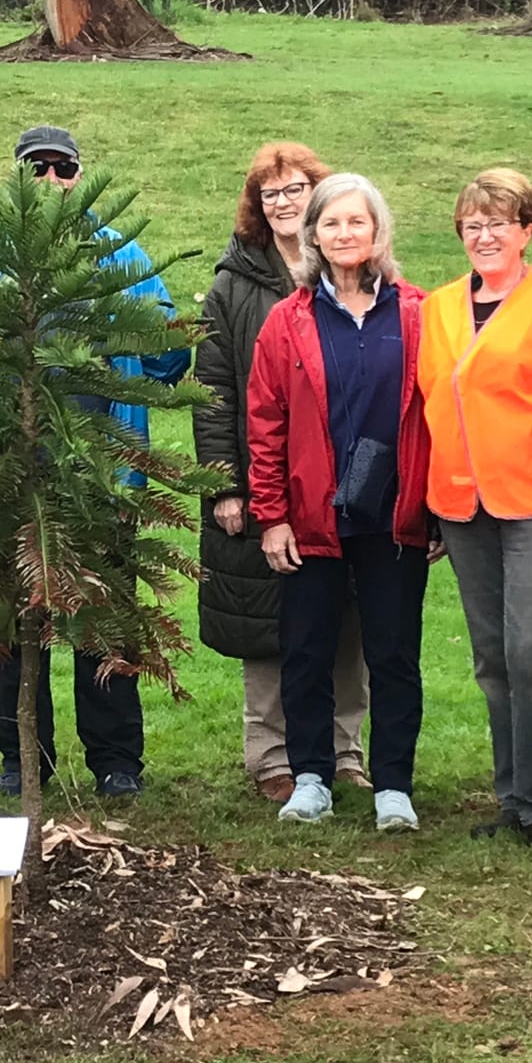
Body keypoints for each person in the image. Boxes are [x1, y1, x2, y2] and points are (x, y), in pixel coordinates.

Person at [0, 125, 189, 799]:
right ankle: (23, 759)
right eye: (37, 168)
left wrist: (134, 316)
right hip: (12, 474)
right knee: (13, 627)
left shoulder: (120, 251)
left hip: (101, 474)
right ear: (18, 176)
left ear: (80, 177)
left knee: (103, 621)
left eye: (64, 168)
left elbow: (171, 363)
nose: (51, 179)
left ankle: (116, 761)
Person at [420, 169, 532, 850]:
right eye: (472, 224)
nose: (485, 235)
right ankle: (513, 797)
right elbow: (432, 408)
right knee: (493, 656)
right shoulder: (439, 308)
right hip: (464, 509)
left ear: (528, 229)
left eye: (500, 222)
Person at [247, 173, 433, 832]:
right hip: (311, 517)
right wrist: (270, 514)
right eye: (332, 224)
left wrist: (431, 506)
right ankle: (310, 779)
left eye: (358, 222)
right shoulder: (287, 320)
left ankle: (394, 787)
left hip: (395, 516)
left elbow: (436, 413)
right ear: (313, 235)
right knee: (306, 650)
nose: (345, 234)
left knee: (392, 653)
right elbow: (264, 422)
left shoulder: (416, 311)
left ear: (377, 231)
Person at [195, 143, 374, 803]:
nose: (283, 202)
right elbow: (211, 386)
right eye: (269, 193)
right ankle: (271, 752)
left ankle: (344, 748)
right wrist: (225, 485)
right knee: (265, 619)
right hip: (262, 477)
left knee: (348, 619)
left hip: (346, 482)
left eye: (295, 189)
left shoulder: (352, 274)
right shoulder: (232, 285)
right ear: (255, 205)